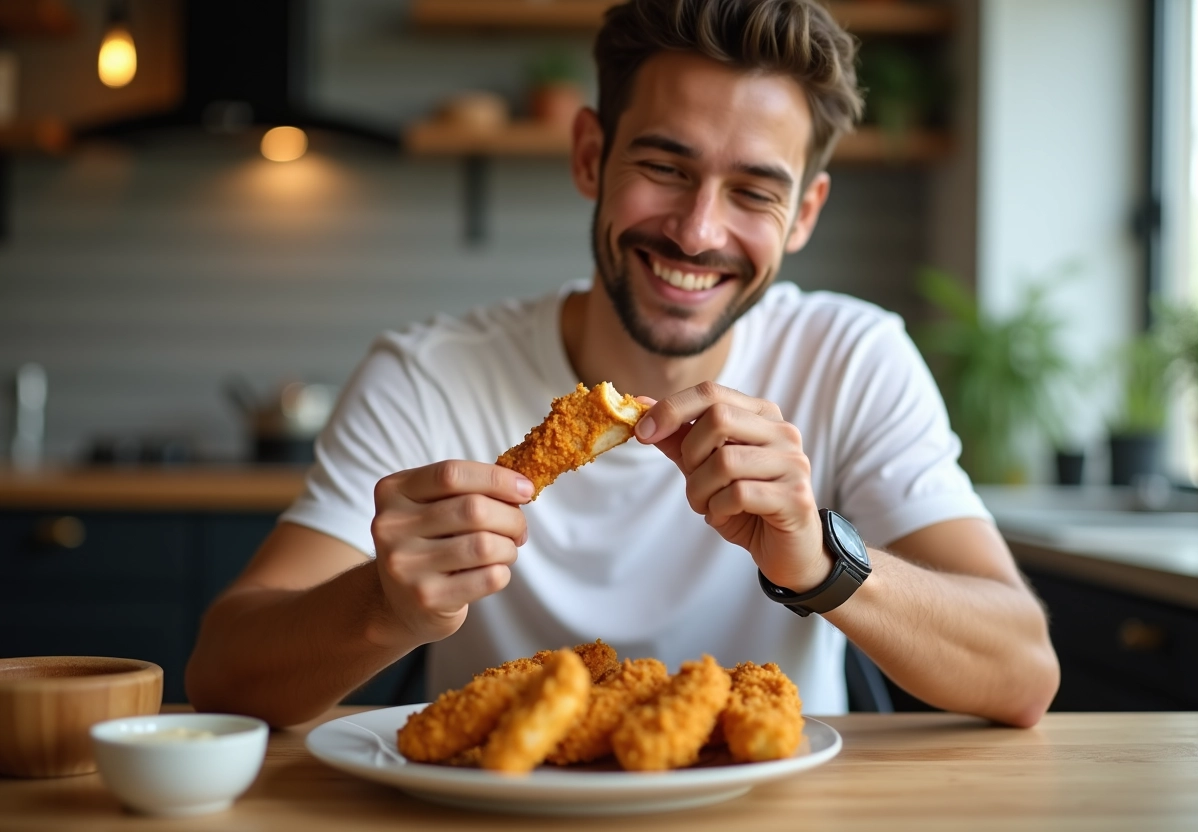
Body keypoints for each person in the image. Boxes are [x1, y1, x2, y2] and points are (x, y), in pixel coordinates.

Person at [186, 0, 1059, 728]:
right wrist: (384, 603)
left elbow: (1024, 671)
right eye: (663, 167)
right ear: (590, 156)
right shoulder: (429, 376)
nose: (697, 230)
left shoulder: (852, 358)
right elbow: (222, 677)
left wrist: (822, 562)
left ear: (803, 214)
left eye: (754, 191)